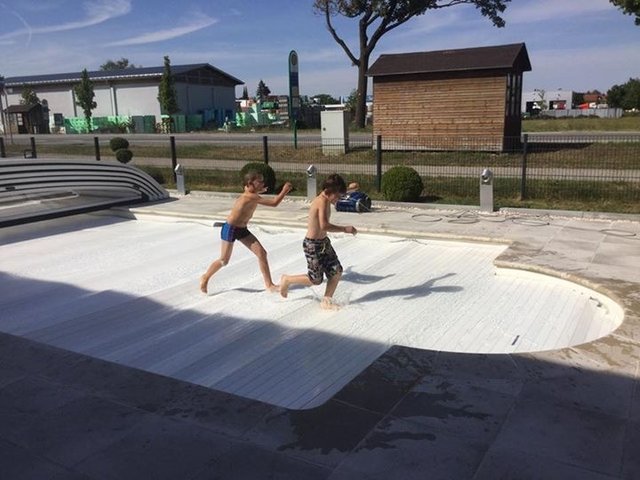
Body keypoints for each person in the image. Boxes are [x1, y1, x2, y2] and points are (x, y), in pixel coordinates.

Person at [200, 171, 293, 294]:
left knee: (262, 253)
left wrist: (258, 189)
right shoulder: (250, 196)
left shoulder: (251, 193)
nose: (263, 183)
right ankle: (205, 277)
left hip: (242, 229)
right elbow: (274, 203)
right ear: (250, 183)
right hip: (230, 228)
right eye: (259, 181)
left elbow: (248, 190)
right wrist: (285, 190)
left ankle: (269, 285)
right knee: (224, 260)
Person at [280, 173, 357, 310]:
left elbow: (338, 190)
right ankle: (287, 280)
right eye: (338, 196)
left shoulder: (327, 198)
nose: (338, 199)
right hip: (312, 245)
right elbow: (324, 225)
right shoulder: (321, 202)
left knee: (337, 271)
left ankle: (326, 300)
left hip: (323, 243)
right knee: (315, 280)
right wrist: (345, 229)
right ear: (329, 191)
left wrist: (350, 188)